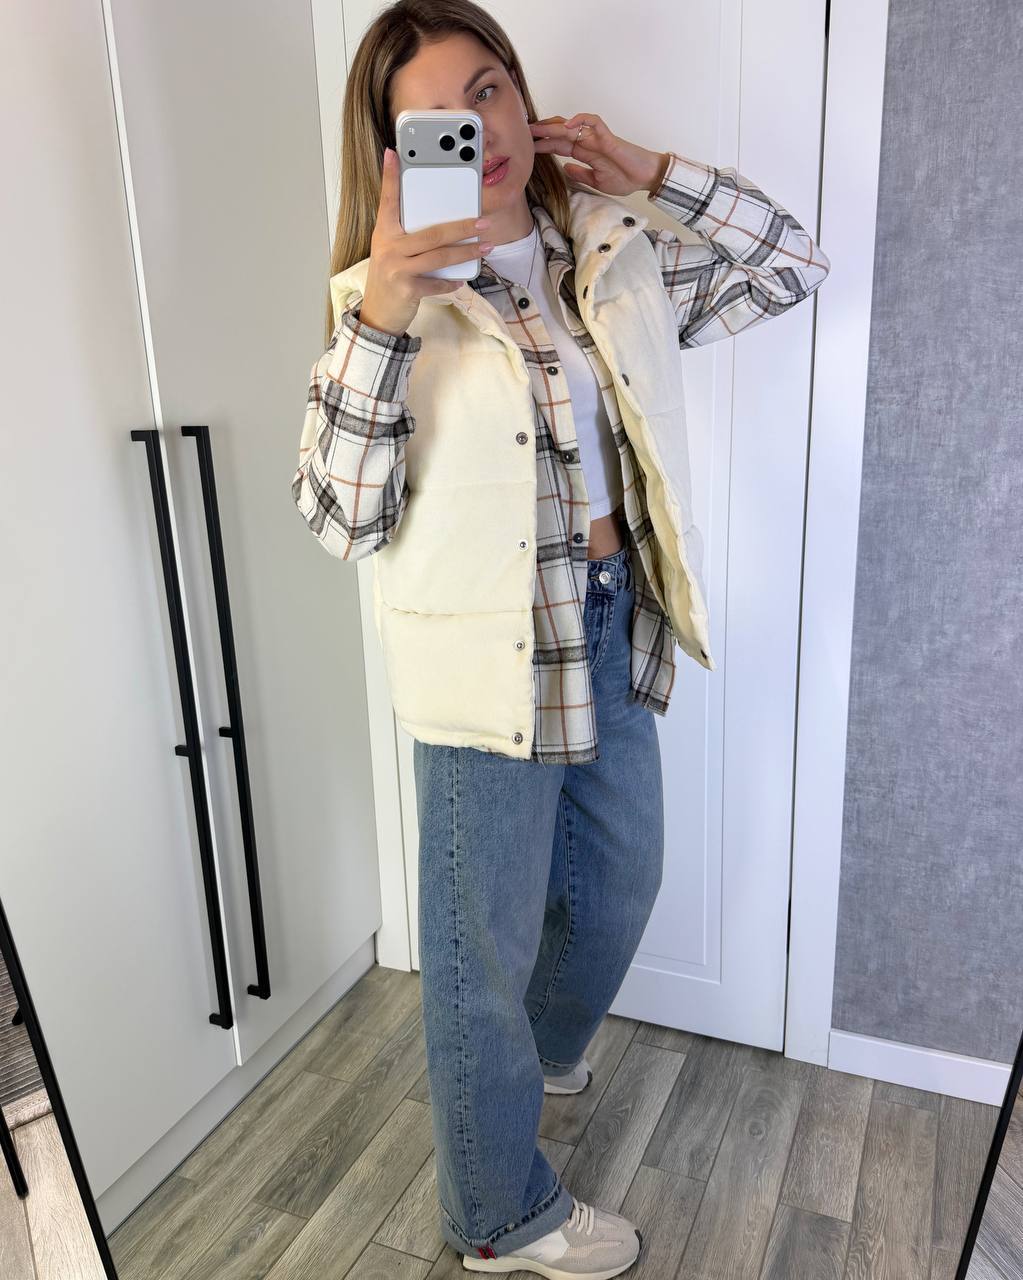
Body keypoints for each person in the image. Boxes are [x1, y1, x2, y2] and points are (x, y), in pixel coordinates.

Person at [291, 3, 831, 1274]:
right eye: (436, 117)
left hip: (608, 609)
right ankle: (495, 1213)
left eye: (490, 88)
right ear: (392, 152)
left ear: (525, 96)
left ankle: (518, 1064)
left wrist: (652, 171)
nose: (477, 129)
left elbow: (790, 264)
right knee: (478, 948)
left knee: (620, 879)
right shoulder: (380, 309)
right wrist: (387, 304)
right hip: (484, 654)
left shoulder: (607, 248)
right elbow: (338, 518)